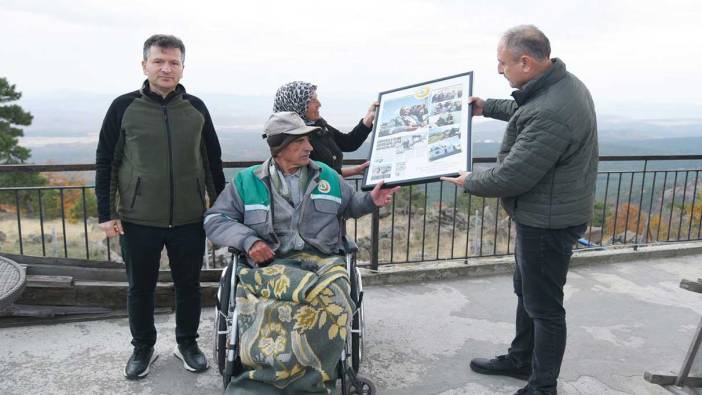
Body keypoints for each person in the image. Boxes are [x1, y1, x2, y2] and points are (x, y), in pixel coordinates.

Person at [442, 25, 598, 395]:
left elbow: (511, 177)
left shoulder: (552, 111)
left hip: (547, 221)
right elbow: (523, 108)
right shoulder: (560, 85)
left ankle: (542, 386)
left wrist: (468, 180)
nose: (499, 70)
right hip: (545, 213)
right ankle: (520, 359)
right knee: (527, 290)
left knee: (544, 306)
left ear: (526, 62)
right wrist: (485, 107)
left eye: (502, 63)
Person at [204, 111, 398, 394]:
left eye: (308, 140)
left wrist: (371, 200)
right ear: (279, 147)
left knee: (334, 301)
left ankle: (311, 382)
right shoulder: (247, 182)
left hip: (322, 263)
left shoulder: (327, 176)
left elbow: (351, 205)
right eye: (299, 142)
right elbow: (215, 219)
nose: (309, 147)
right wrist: (248, 241)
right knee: (261, 307)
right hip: (269, 264)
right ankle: (266, 381)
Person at [95, 34, 225, 380]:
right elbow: (106, 160)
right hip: (138, 220)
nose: (166, 68)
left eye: (174, 62)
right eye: (159, 61)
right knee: (140, 288)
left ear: (183, 67)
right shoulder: (123, 107)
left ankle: (188, 344)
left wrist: (221, 209)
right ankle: (143, 348)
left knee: (189, 286)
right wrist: (107, 213)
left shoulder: (196, 108)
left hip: (189, 218)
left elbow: (213, 161)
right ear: (144, 65)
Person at [273, 81, 377, 177]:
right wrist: (354, 170)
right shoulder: (289, 139)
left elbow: (348, 143)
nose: (319, 104)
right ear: (297, 105)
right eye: (313, 100)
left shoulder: (319, 126)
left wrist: (367, 119)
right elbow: (314, 175)